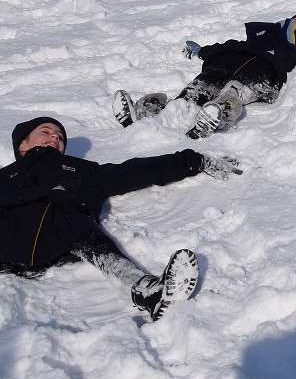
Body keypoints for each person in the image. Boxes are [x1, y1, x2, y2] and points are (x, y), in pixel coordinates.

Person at [1, 116, 241, 319]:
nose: (55, 137)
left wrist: (192, 161)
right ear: (23, 143)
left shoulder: (79, 170)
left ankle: (148, 291)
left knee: (79, 223)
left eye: (60, 137)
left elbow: (133, 172)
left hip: (61, 235)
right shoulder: (5, 175)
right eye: (46, 132)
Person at [112, 14, 296, 139]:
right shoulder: (269, 35)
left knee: (235, 90)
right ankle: (161, 114)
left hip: (263, 72)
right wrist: (202, 51)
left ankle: (218, 113)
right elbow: (229, 45)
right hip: (231, 60)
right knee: (201, 86)